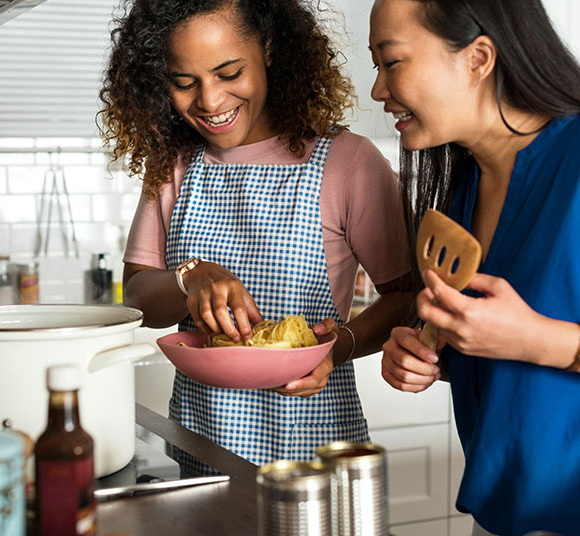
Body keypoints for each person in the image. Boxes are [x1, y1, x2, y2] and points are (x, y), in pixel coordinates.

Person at [99, 0, 413, 475]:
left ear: (267, 47)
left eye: (229, 73)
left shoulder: (348, 163)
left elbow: (407, 297)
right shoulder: (175, 167)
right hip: (199, 448)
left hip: (312, 450)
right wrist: (190, 277)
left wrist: (340, 346)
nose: (209, 100)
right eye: (185, 82)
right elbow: (139, 300)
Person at [369, 0, 580, 534]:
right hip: (499, 517)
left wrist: (537, 339)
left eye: (392, 63)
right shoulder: (463, 191)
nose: (378, 91)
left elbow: (531, 340)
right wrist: (433, 354)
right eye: (376, 67)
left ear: (477, 58)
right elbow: (503, 362)